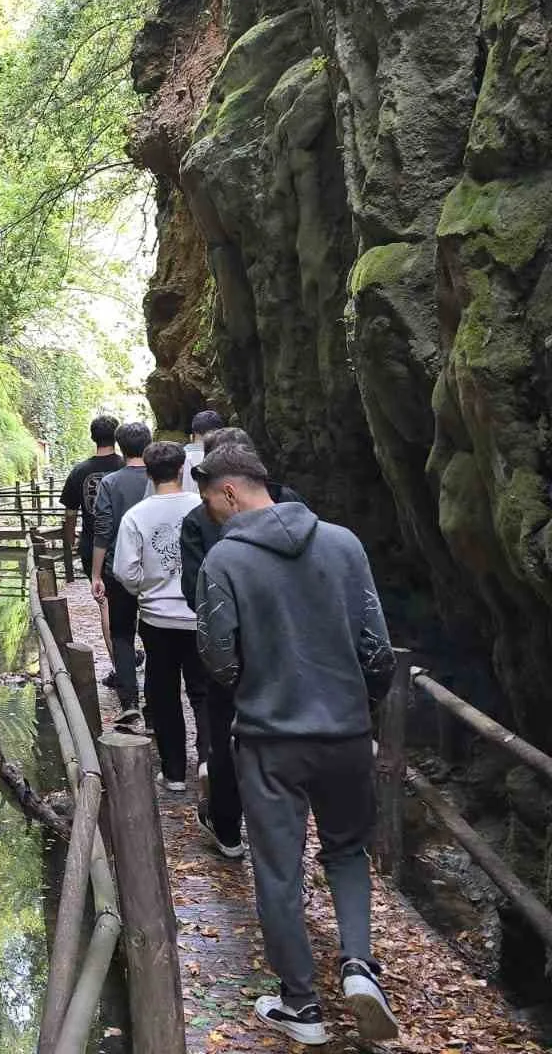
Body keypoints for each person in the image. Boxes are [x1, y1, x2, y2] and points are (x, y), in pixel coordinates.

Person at [193, 444, 399, 1046]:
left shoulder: (224, 560)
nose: (210, 514)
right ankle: (358, 966)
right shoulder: (344, 544)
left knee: (278, 869)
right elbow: (377, 649)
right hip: (345, 732)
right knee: (347, 852)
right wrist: (360, 708)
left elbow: (218, 658)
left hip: (269, 739)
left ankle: (301, 1006)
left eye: (210, 502)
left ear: (230, 491)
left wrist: (255, 686)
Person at [178, 426, 305, 860]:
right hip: (293, 647)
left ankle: (229, 829)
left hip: (233, 653)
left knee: (226, 739)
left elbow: (193, 590)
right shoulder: (293, 505)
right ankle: (282, 831)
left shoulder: (199, 521)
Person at [113, 441, 208, 791]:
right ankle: (208, 761)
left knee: (164, 693)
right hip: (200, 615)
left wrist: (147, 587)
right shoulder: (203, 506)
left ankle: (174, 772)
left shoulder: (136, 515)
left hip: (157, 617)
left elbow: (125, 570)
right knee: (203, 691)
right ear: (182, 469)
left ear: (148, 474)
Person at [90, 421, 151, 721]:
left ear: (121, 447)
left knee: (122, 635)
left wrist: (96, 574)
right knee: (155, 636)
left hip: (119, 567)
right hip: (155, 569)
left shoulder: (110, 483)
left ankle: (130, 703)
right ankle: (155, 705)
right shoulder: (160, 478)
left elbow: (103, 529)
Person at [60, 416, 123, 583]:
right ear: (116, 437)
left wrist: (70, 539)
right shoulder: (126, 467)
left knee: (99, 589)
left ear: (93, 437)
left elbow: (70, 512)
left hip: (91, 544)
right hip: (123, 544)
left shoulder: (79, 471)